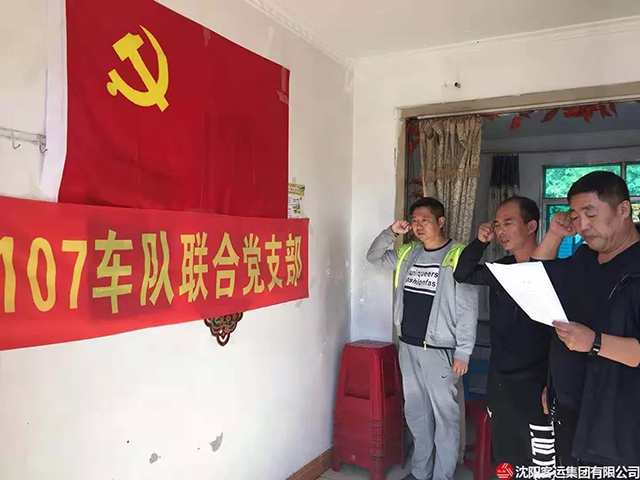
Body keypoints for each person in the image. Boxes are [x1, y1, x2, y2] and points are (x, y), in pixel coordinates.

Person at [366, 197, 479, 480]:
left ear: (440, 221)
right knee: (417, 413)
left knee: (445, 417)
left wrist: (463, 351)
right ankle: (420, 471)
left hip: (440, 349)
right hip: (408, 345)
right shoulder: (409, 253)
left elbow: (468, 309)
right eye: (414, 220)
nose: (418, 226)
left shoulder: (458, 255)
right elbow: (374, 257)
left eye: (424, 220)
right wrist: (391, 232)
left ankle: (442, 475)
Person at [533, 171, 640, 466]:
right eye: (575, 216)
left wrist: (594, 342)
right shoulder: (585, 257)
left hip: (617, 423)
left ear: (623, 209)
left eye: (590, 214)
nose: (582, 226)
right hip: (569, 408)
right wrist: (555, 234)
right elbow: (536, 277)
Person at [453, 196, 554, 468]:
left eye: (508, 223)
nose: (500, 231)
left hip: (537, 383)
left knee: (540, 459)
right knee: (506, 455)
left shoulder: (553, 271)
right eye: (497, 224)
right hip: (500, 379)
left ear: (531, 226)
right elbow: (462, 274)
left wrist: (553, 383)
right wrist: (480, 242)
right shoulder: (502, 269)